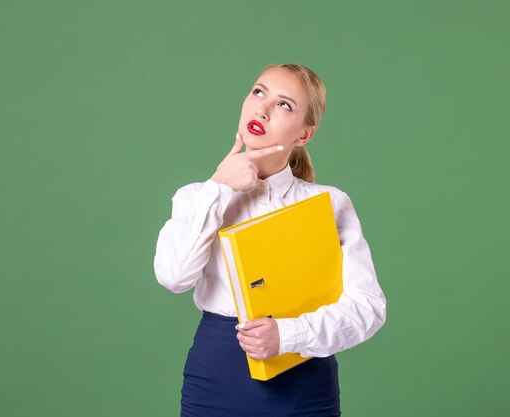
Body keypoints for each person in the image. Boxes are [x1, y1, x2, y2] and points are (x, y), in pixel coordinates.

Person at [154, 63, 387, 417]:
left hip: (304, 381)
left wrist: (286, 336)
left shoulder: (328, 204)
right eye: (258, 92)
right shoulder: (195, 197)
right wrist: (218, 187)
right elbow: (173, 277)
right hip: (215, 377)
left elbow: (368, 308)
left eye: (284, 105)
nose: (262, 109)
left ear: (304, 135)